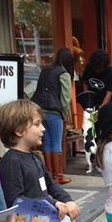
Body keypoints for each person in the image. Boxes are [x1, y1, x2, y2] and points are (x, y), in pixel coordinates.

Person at [31, 47, 74, 184]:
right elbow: (65, 98)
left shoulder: (45, 70)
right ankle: (58, 175)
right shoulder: (64, 73)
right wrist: (64, 112)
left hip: (40, 109)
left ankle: (49, 174)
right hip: (55, 110)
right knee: (56, 142)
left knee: (47, 141)